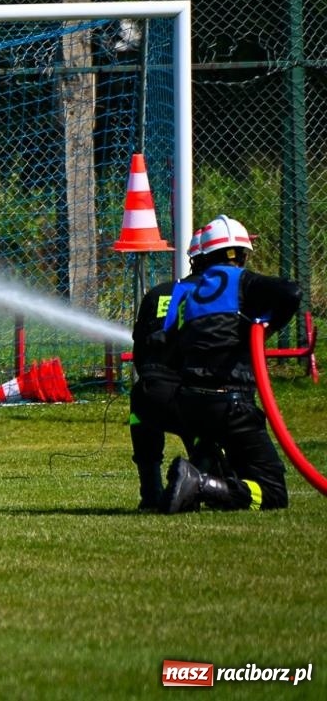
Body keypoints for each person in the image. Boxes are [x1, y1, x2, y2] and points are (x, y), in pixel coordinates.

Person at [160, 215, 302, 513]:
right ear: (240, 254)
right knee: (273, 493)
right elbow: (291, 293)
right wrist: (268, 328)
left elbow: (169, 345)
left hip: (190, 405)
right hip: (231, 404)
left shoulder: (187, 294)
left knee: (238, 471)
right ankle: (199, 483)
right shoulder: (242, 281)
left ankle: (198, 473)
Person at [126, 275, 221, 510]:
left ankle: (151, 494)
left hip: (150, 395)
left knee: (140, 413)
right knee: (209, 427)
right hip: (195, 397)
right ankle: (198, 484)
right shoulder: (220, 293)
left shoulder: (157, 293)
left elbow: (139, 351)